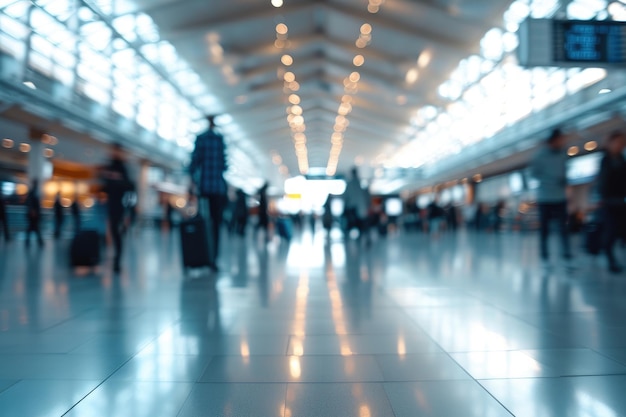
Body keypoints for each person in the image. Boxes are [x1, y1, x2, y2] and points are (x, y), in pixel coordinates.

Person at [189, 115, 228, 271]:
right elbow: (225, 165)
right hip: (218, 188)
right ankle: (214, 259)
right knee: (216, 224)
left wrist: (192, 182)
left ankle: (204, 255)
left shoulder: (201, 139)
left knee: (204, 223)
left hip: (204, 188)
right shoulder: (220, 140)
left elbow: (194, 162)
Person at [530, 128, 573, 268]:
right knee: (545, 229)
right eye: (561, 139)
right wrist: (551, 180)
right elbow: (533, 174)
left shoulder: (562, 154)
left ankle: (567, 256)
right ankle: (544, 256)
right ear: (554, 140)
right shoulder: (539, 156)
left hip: (560, 197)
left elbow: (565, 174)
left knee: (563, 228)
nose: (563, 142)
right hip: (545, 197)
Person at [101, 143, 134, 272]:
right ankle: (113, 259)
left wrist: (116, 180)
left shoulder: (122, 168)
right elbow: (105, 187)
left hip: (120, 206)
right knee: (113, 232)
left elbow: (129, 187)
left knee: (117, 233)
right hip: (110, 205)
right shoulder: (110, 167)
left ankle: (117, 260)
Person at [597, 131, 626, 273]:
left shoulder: (622, 159)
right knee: (611, 232)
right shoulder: (605, 160)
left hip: (622, 202)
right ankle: (611, 260)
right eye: (619, 142)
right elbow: (602, 183)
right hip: (609, 203)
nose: (621, 145)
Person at [343, 167, 371, 243]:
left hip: (353, 210)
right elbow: (366, 197)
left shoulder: (349, 184)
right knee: (362, 227)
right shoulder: (360, 183)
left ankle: (355, 240)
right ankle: (362, 239)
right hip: (361, 210)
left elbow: (345, 197)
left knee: (352, 227)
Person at [24, 179, 43, 248]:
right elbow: (31, 203)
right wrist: (33, 211)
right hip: (33, 215)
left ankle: (29, 242)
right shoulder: (33, 193)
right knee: (34, 228)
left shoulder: (33, 192)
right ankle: (39, 242)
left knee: (33, 228)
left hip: (33, 215)